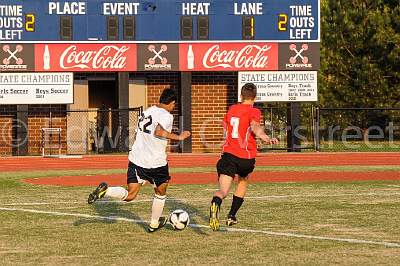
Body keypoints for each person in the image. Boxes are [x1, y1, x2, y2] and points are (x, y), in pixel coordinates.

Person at [87, 88, 191, 233]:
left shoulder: (147, 112)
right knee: (160, 193)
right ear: (171, 103)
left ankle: (106, 191)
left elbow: (138, 135)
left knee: (130, 195)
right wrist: (179, 137)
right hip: (156, 163)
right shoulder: (166, 115)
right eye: (174, 105)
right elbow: (159, 132)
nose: (173, 108)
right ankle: (154, 224)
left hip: (136, 160)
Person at [209, 83, 279, 231]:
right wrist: (265, 138)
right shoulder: (254, 111)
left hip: (228, 155)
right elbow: (255, 127)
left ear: (241, 96)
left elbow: (227, 130)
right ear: (255, 97)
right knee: (243, 180)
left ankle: (216, 202)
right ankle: (231, 215)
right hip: (246, 157)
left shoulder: (232, 109)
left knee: (222, 191)